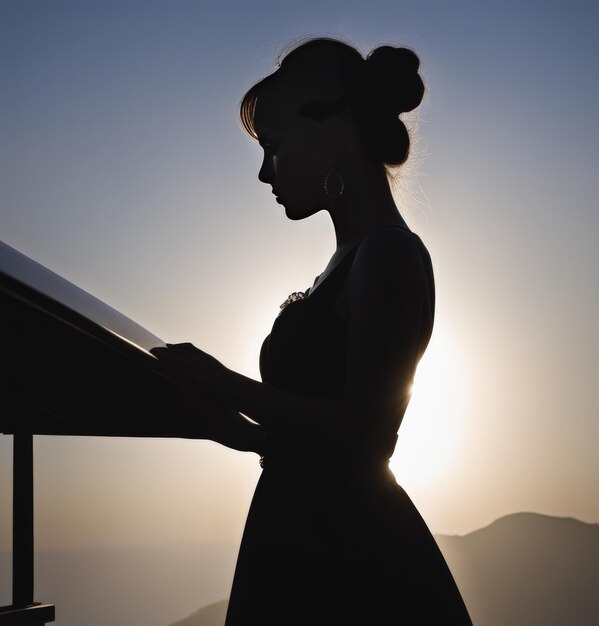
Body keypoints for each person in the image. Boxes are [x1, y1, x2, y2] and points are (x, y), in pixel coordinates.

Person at [152, 37, 472, 625]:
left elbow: (363, 436)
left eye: (273, 147)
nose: (263, 171)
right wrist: (247, 434)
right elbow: (318, 427)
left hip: (346, 558)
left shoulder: (390, 254)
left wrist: (224, 384)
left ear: (332, 128)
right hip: (304, 532)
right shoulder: (350, 259)